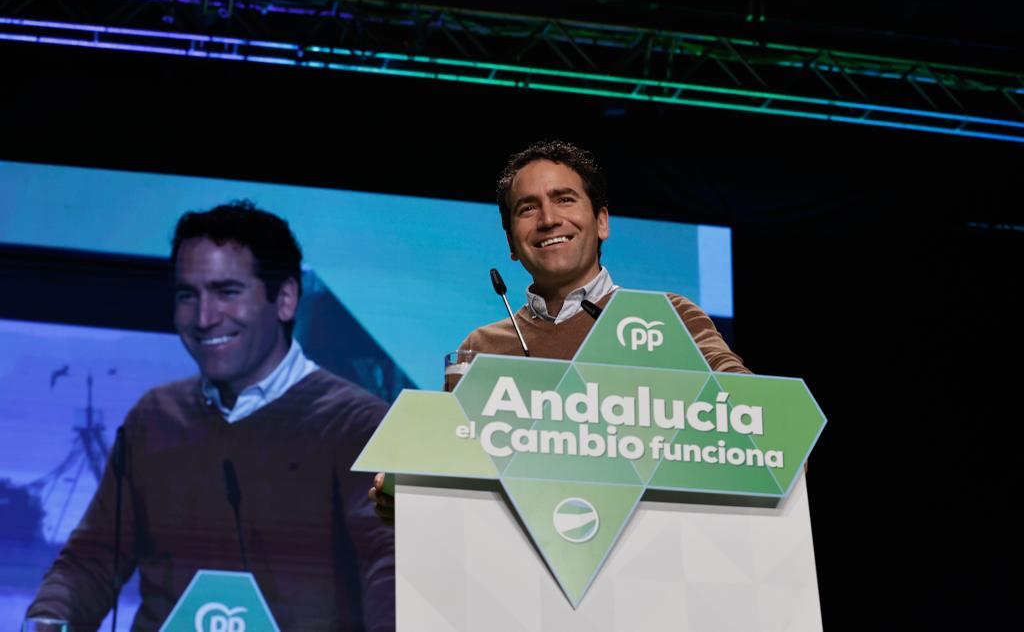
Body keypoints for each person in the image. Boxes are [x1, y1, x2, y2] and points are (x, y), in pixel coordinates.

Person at [28, 201, 395, 631]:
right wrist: (48, 618)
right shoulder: (154, 417)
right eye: (188, 295)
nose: (203, 317)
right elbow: (93, 557)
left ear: (286, 298)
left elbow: (389, 565)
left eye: (227, 291)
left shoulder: (357, 424)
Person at [370, 139, 749, 507]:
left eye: (564, 199)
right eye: (527, 209)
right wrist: (409, 494)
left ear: (601, 221)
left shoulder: (667, 317)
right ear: (511, 244)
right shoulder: (481, 347)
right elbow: (449, 463)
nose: (549, 220)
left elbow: (752, 412)